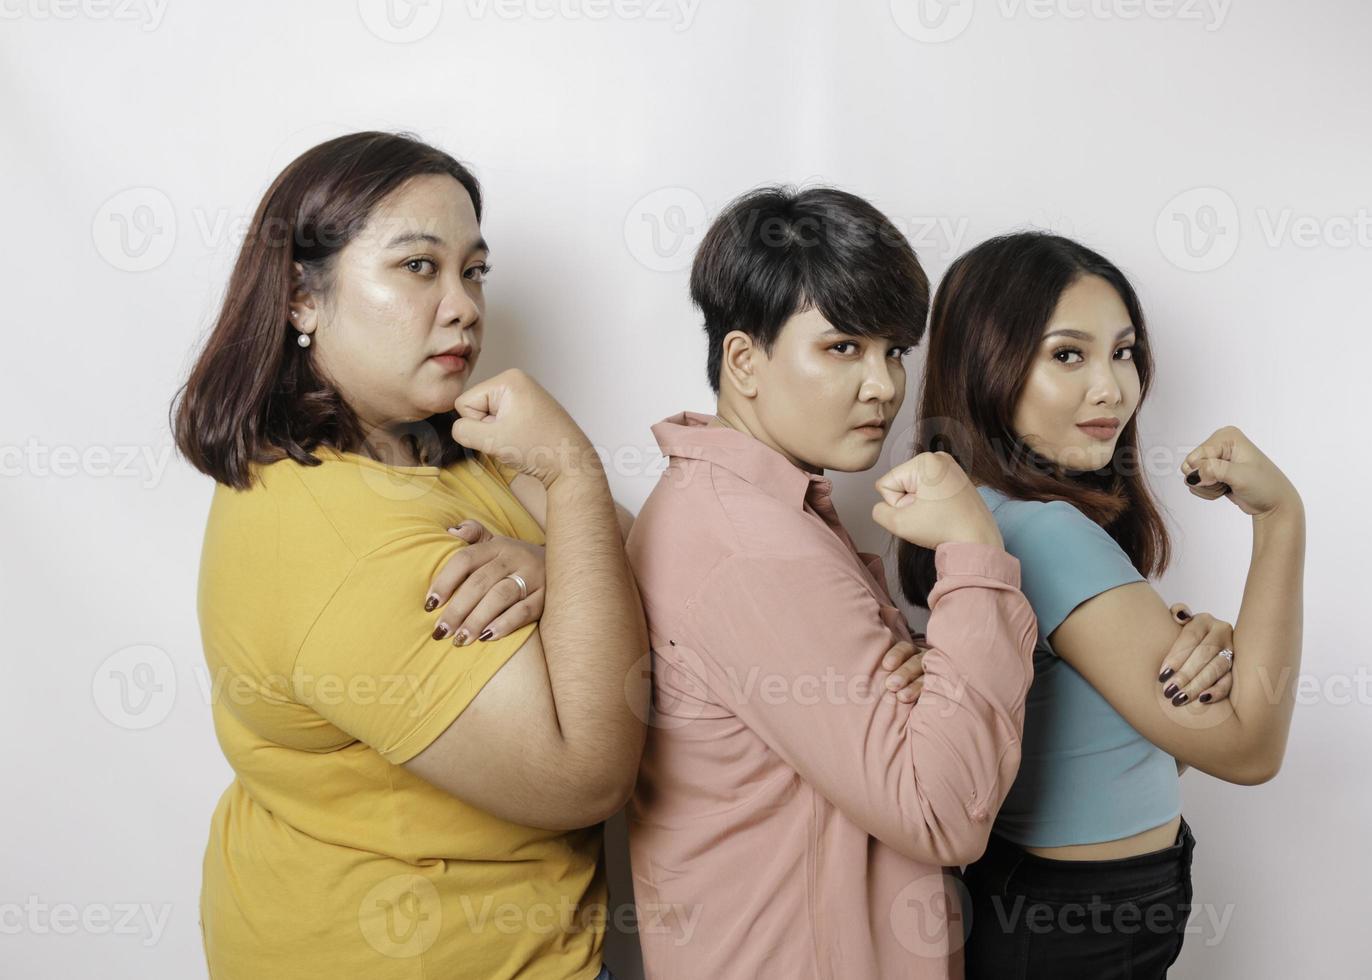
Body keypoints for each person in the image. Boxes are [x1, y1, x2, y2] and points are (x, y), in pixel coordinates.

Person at [171, 130, 646, 980]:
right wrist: (572, 475)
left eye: (474, 269)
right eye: (419, 266)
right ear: (301, 298)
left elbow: (658, 555)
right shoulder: (341, 536)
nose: (463, 304)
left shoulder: (439, 446)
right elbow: (583, 775)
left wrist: (552, 566)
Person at [623, 186, 1041, 979]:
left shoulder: (751, 512)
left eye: (894, 351)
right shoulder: (754, 548)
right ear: (744, 360)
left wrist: (932, 681)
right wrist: (973, 550)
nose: (884, 385)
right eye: (843, 347)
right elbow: (941, 810)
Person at [895, 232, 1306, 978]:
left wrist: (1201, 654)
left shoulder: (998, 516)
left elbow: (1147, 744)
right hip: (1077, 922)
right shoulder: (1046, 535)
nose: (1112, 388)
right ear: (988, 364)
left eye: (1123, 351)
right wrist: (1280, 521)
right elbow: (1249, 750)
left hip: (1068, 907)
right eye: (1067, 354)